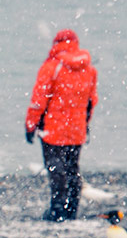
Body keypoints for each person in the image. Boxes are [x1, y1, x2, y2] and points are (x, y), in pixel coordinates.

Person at [24, 29, 98, 222]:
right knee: (72, 168)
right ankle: (72, 208)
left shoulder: (51, 67)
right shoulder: (89, 69)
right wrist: (84, 124)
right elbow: (91, 101)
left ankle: (57, 209)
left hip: (53, 130)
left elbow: (38, 101)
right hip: (76, 130)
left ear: (56, 44)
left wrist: (31, 125)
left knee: (56, 169)